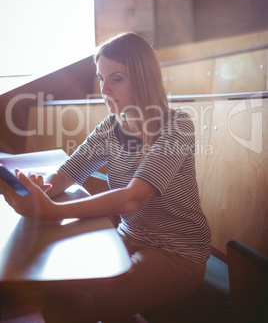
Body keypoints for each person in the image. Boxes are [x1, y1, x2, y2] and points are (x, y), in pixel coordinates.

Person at [0, 32, 211, 323]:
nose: (105, 89)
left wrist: (56, 211)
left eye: (116, 79)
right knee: (67, 286)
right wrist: (39, 185)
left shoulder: (178, 126)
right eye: (101, 78)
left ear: (142, 78)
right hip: (129, 236)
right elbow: (65, 175)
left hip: (177, 252)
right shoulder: (110, 127)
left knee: (76, 302)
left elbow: (132, 198)